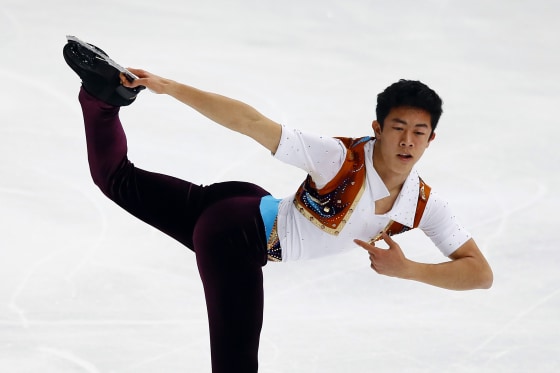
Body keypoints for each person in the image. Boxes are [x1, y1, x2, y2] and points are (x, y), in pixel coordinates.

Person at [63, 38, 493, 373]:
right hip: (236, 238)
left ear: (431, 139)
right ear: (378, 128)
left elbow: (480, 273)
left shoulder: (423, 204)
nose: (407, 141)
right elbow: (250, 123)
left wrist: (410, 270)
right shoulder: (339, 159)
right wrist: (169, 87)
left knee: (115, 179)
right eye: (398, 127)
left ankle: (103, 96)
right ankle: (106, 96)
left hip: (247, 203)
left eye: (419, 132)